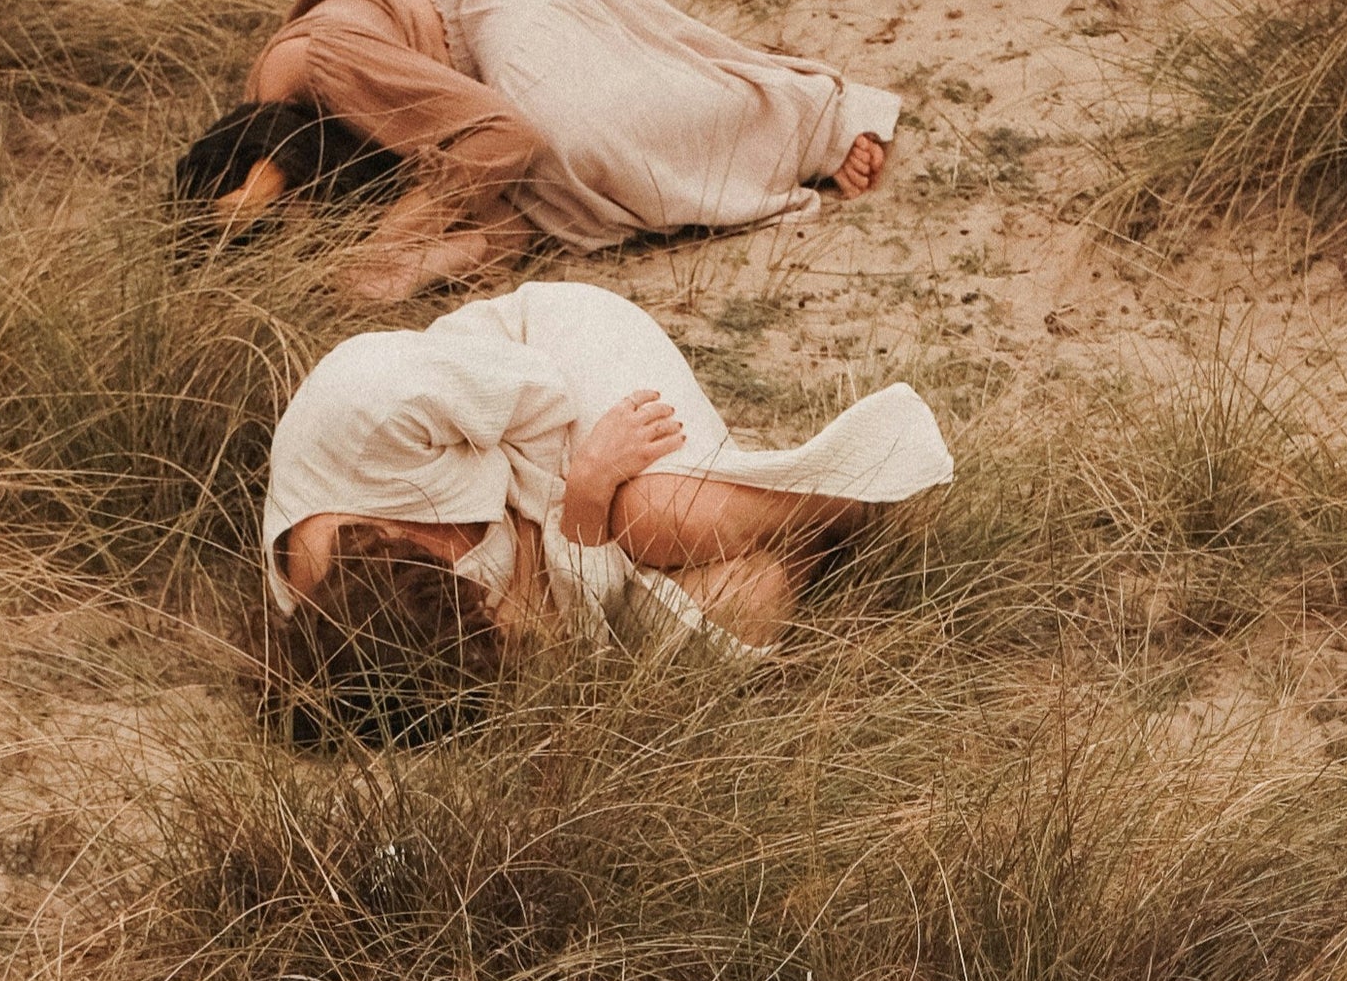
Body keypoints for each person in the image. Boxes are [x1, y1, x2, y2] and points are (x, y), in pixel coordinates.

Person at [258, 280, 952, 738]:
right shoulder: (370, 646)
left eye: (478, 595)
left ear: (394, 542)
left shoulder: (369, 407)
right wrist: (575, 528)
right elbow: (567, 636)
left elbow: (544, 395)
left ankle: (862, 493)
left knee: (658, 514)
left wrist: (588, 504)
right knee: (742, 599)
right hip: (567, 508)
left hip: (552, 353)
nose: (491, 595)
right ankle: (797, 545)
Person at [177, 0, 898, 299]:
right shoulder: (311, 158)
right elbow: (507, 226)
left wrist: (387, 248)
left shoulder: (322, 67)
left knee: (567, 133)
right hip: (467, 67)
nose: (314, 243)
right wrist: (422, 261)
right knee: (557, 199)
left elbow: (503, 140)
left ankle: (816, 121)